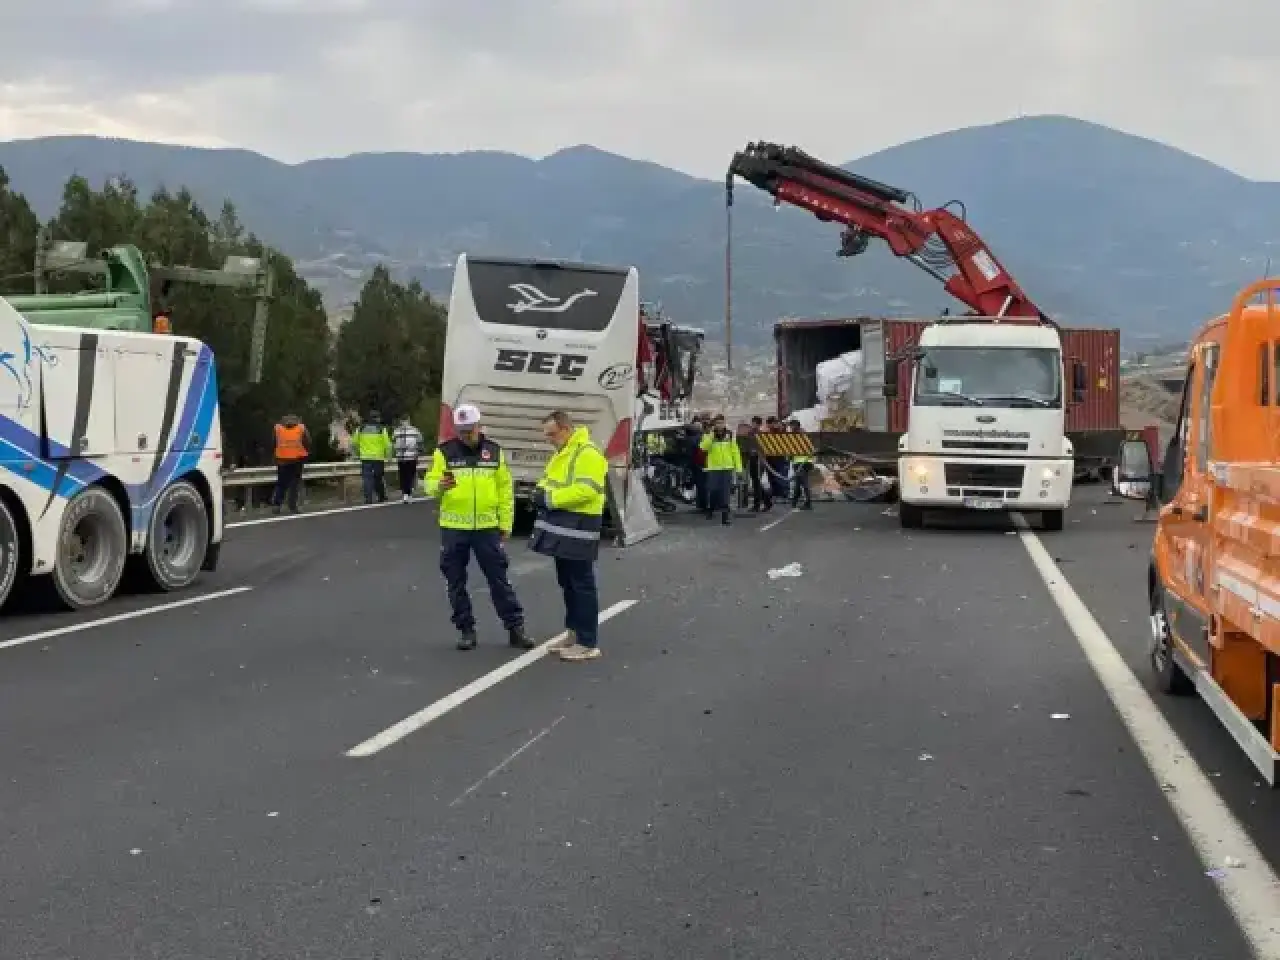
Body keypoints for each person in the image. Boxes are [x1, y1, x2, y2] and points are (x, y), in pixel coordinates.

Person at [424, 404, 530, 651]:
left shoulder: (493, 452)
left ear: (479, 427)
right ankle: (466, 630)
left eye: (470, 430)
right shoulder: (444, 452)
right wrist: (439, 485)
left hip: (486, 527)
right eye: (462, 431)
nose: (466, 435)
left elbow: (505, 490)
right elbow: (429, 484)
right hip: (454, 527)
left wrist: (505, 523)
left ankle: (515, 629)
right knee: (455, 581)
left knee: (499, 579)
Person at [530, 410, 608, 662]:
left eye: (552, 434)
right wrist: (539, 492)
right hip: (564, 525)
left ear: (565, 429)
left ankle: (587, 642)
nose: (549, 439)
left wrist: (550, 499)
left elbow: (588, 489)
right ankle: (573, 633)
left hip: (581, 526)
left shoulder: (587, 453)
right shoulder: (562, 453)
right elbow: (548, 479)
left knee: (581, 584)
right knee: (568, 583)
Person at [699, 414, 743, 524]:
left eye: (721, 423)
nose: (720, 425)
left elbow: (735, 451)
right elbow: (703, 447)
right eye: (718, 423)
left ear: (724, 423)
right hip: (714, 468)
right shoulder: (708, 435)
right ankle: (711, 509)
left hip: (727, 467)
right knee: (713, 490)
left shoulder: (730, 435)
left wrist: (738, 468)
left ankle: (725, 516)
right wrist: (711, 437)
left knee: (725, 493)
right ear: (714, 424)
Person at [270, 414, 310, 514]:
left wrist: (275, 455)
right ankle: (293, 506)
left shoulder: (278, 428)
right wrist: (306, 453)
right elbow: (308, 442)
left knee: (281, 483)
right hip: (297, 460)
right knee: (294, 484)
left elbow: (273, 443)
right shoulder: (301, 428)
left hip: (282, 460)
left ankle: (277, 505)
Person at [352, 411, 392, 504]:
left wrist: (357, 454)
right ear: (376, 418)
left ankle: (368, 499)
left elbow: (354, 443)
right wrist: (389, 456)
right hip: (378, 458)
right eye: (378, 417)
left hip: (365, 458)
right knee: (378, 477)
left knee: (367, 478)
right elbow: (388, 445)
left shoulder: (361, 428)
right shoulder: (381, 429)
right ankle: (381, 496)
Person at [392, 414, 425, 502]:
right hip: (412, 457)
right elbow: (420, 441)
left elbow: (393, 443)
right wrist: (419, 452)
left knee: (403, 475)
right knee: (410, 475)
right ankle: (409, 493)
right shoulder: (415, 430)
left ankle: (405, 494)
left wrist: (395, 452)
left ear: (400, 421)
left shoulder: (396, 431)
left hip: (401, 457)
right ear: (409, 420)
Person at [745, 415, 773, 513]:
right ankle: (767, 501)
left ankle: (758, 505)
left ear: (759, 424)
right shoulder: (750, 433)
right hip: (752, 459)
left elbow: (764, 448)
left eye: (755, 423)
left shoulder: (761, 434)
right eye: (752, 423)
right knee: (756, 482)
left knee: (756, 482)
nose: (753, 425)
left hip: (759, 460)